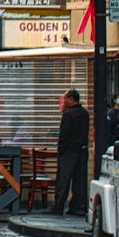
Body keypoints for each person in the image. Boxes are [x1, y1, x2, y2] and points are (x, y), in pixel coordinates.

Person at [51, 88, 90, 217]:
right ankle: (78, 207)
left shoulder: (68, 114)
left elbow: (64, 135)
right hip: (81, 151)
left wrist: (60, 151)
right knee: (79, 180)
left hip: (68, 152)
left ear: (71, 99)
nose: (64, 101)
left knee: (63, 180)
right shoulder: (84, 113)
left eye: (65, 98)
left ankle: (58, 206)